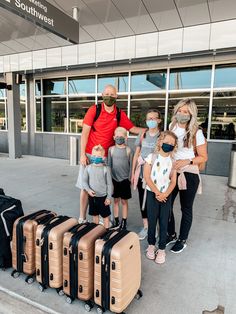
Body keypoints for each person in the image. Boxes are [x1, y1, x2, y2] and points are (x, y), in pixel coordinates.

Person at [76, 84, 143, 223]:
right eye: (107, 94)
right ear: (102, 95)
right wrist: (82, 154)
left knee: (104, 188)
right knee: (85, 187)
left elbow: (133, 129)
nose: (109, 97)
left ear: (116, 96)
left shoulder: (119, 114)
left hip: (108, 157)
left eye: (112, 94)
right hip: (90, 155)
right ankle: (82, 217)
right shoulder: (95, 110)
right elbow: (85, 133)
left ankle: (103, 216)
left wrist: (152, 132)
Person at [167, 98, 208, 253]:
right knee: (167, 205)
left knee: (186, 208)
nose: (182, 114)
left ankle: (182, 239)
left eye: (186, 112)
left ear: (191, 115)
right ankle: (170, 234)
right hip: (172, 172)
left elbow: (203, 157)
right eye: (180, 110)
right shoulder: (171, 126)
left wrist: (187, 161)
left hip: (189, 174)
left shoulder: (196, 132)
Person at [144, 131, 177, 264]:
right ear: (160, 141)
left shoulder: (173, 161)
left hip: (166, 196)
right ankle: (151, 245)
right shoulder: (151, 157)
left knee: (164, 223)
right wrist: (157, 193)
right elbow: (147, 177)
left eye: (172, 144)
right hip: (153, 194)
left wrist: (165, 194)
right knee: (152, 222)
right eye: (167, 142)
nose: (169, 145)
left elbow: (173, 181)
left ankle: (162, 248)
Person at [131, 109, 162, 240]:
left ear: (159, 120)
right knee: (142, 201)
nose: (150, 121)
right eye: (148, 119)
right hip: (141, 173)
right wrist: (133, 173)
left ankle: (154, 226)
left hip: (155, 175)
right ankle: (146, 226)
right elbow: (136, 154)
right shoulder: (142, 134)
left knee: (153, 201)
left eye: (153, 119)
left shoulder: (162, 136)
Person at [107, 127, 133, 230]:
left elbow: (131, 166)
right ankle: (116, 221)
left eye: (121, 136)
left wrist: (130, 180)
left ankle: (124, 222)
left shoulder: (129, 150)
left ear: (126, 138)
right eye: (117, 136)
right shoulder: (111, 149)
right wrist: (109, 180)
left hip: (125, 180)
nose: (119, 138)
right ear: (114, 137)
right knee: (116, 201)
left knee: (124, 202)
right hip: (114, 180)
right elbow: (109, 165)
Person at [82, 145, 112, 229]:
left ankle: (106, 233)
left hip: (103, 197)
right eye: (94, 155)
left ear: (103, 157)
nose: (96, 157)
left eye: (98, 156)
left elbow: (110, 184)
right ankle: (96, 232)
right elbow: (84, 182)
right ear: (91, 155)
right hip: (92, 196)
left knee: (105, 216)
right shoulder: (88, 168)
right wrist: (88, 190)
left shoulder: (106, 169)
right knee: (95, 216)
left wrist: (109, 197)